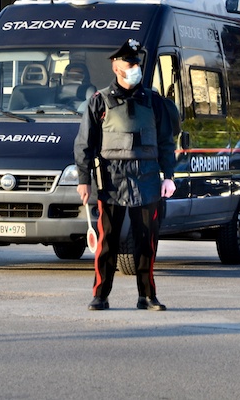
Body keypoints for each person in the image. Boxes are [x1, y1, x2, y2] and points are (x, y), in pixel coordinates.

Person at [74, 38, 177, 311]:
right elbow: (85, 143)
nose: (135, 68)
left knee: (147, 242)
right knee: (107, 241)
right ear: (116, 67)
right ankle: (100, 295)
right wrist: (84, 180)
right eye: (130, 64)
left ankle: (147, 296)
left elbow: (166, 141)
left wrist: (169, 176)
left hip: (147, 179)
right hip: (111, 179)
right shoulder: (99, 102)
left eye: (137, 64)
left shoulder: (154, 102)